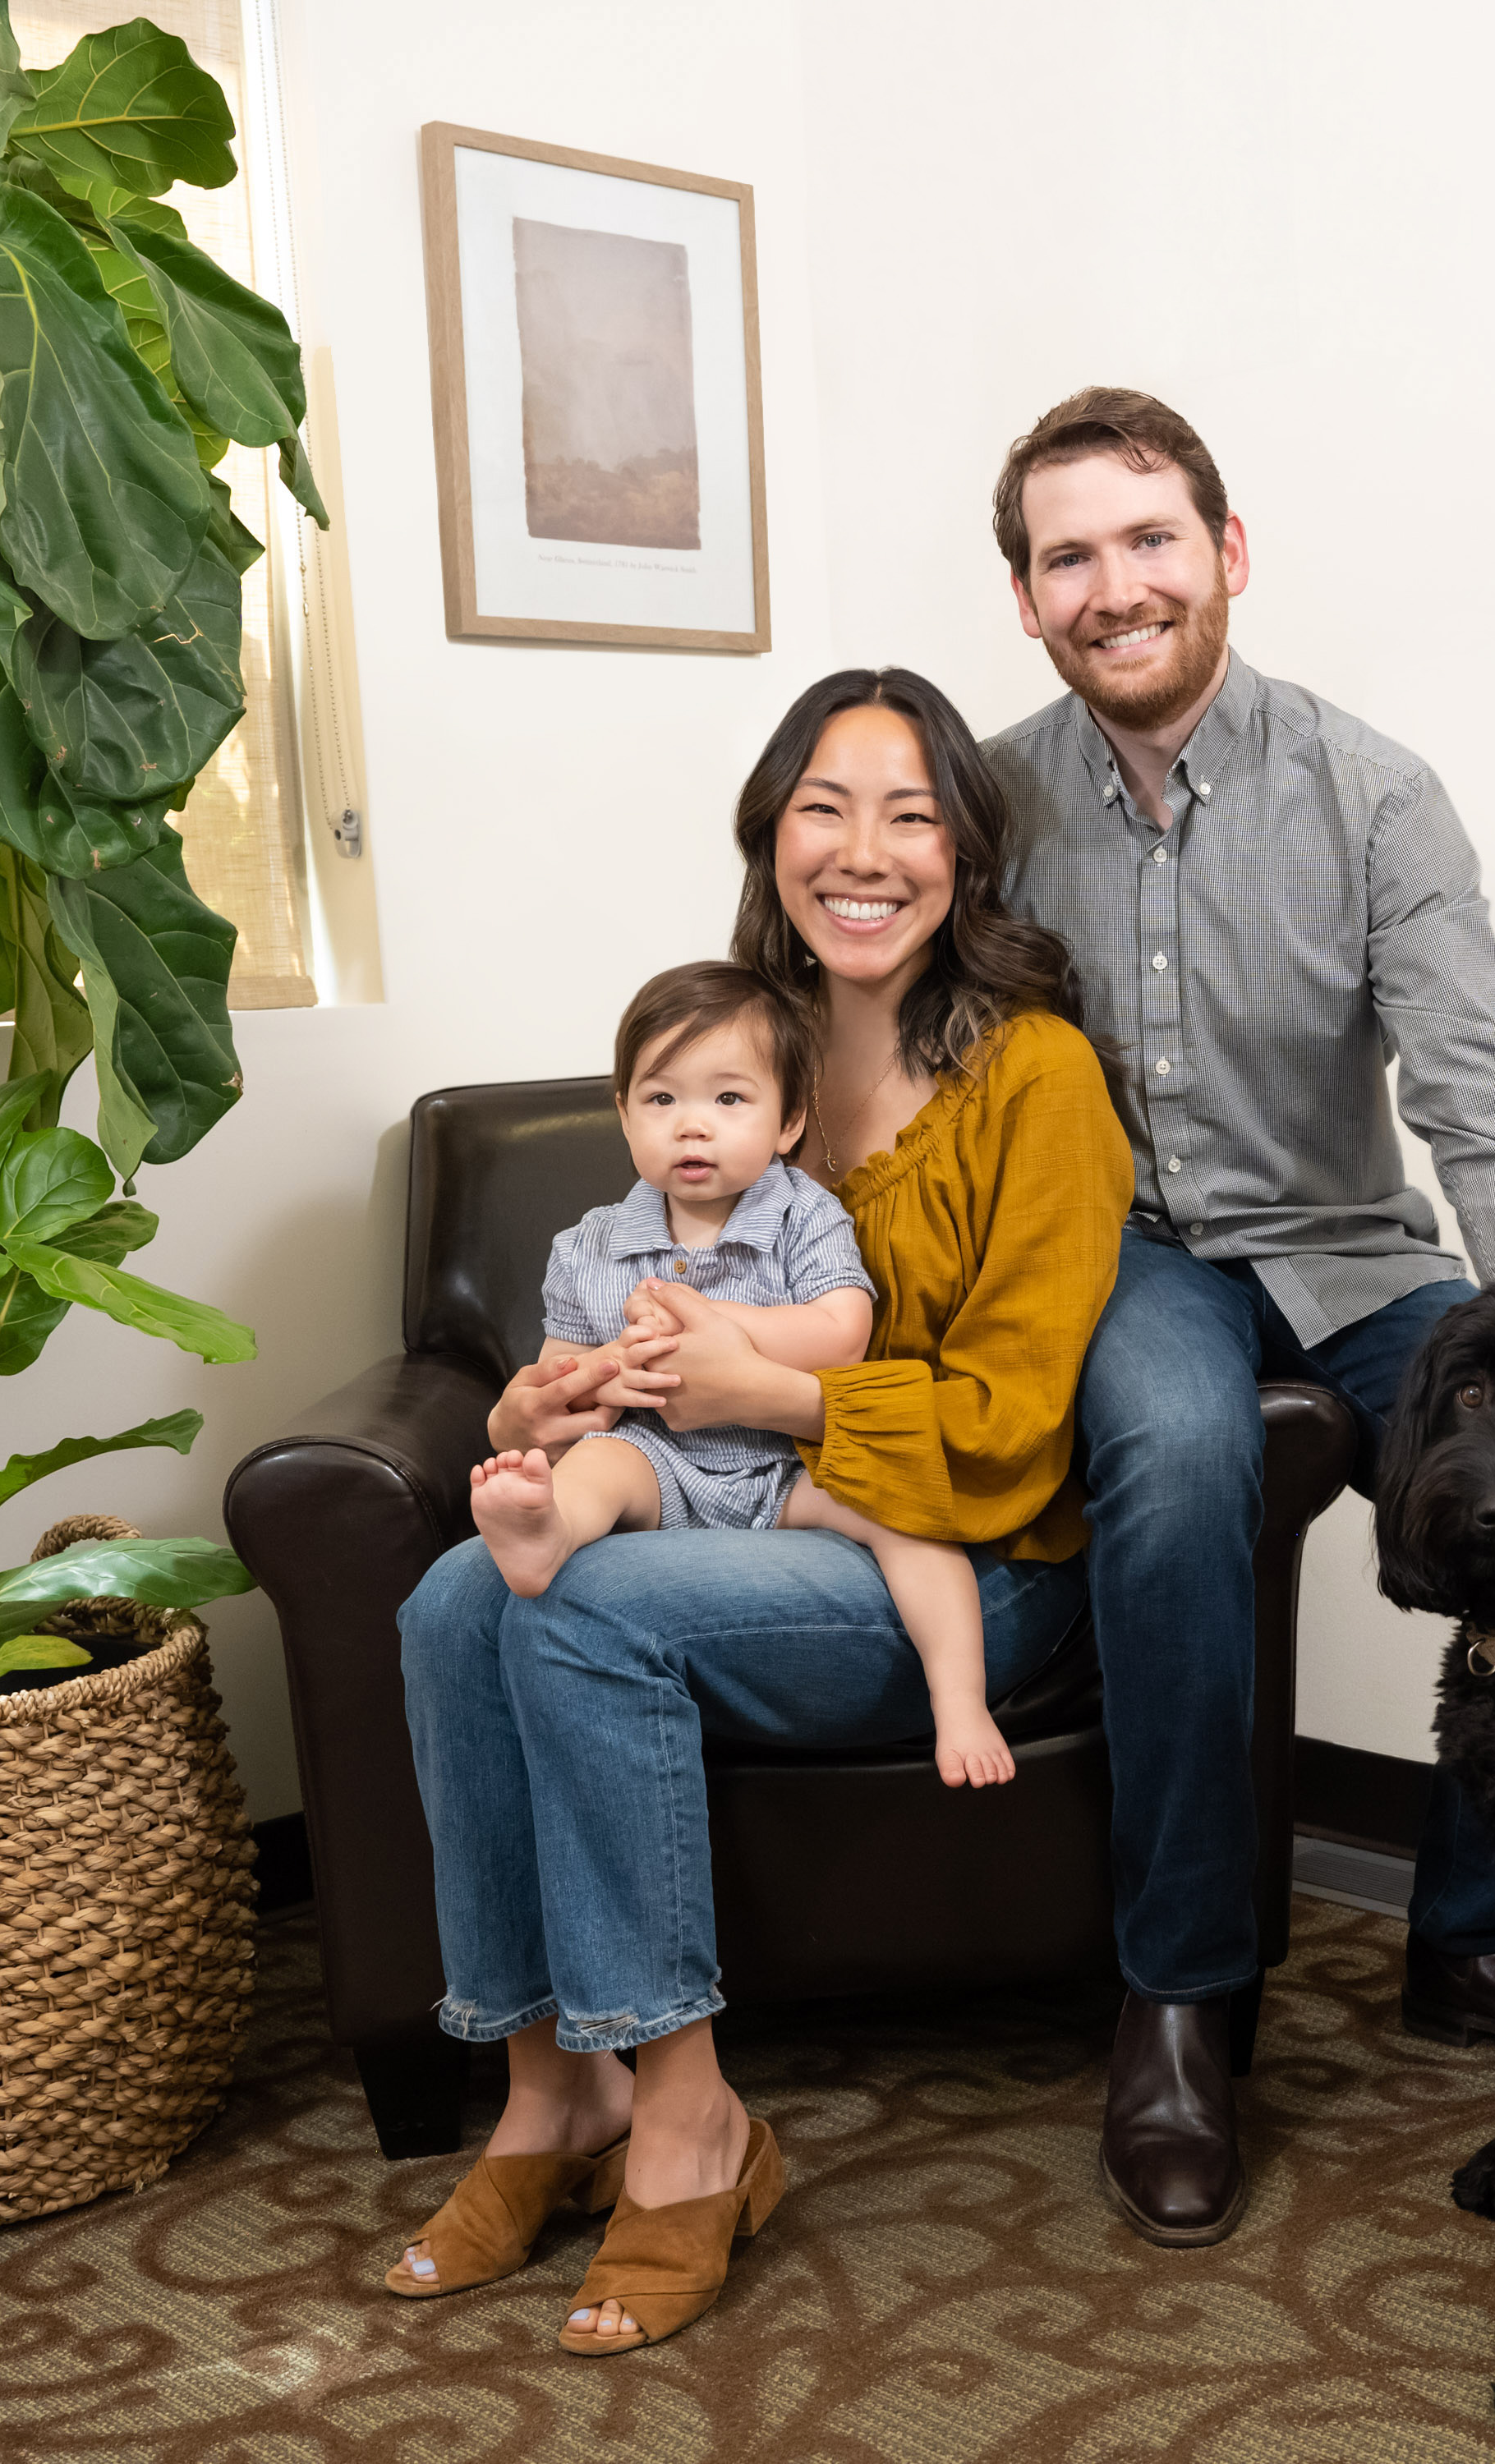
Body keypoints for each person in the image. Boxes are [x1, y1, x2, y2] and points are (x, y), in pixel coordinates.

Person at [388, 670, 1132, 2353]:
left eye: (912, 813)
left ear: (967, 852)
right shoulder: (723, 1063)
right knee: (451, 1601)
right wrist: (558, 1398)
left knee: (578, 1605)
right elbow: (609, 1327)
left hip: (954, 1556)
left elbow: (1015, 1429)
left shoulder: (1040, 1082)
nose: (863, 852)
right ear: (769, 834)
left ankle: (690, 2117)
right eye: (822, 806)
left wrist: (772, 1393)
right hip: (732, 1524)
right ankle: (544, 2093)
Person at [982, 387, 1495, 2249]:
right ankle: (1179, 2001)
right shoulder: (987, 801)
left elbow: (1472, 1086)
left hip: (1347, 1245)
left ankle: (1475, 1929)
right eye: (1067, 554)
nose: (1115, 584)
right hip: (1135, 1258)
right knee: (1169, 1456)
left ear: (1225, 555)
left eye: (1147, 537)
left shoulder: (1371, 789)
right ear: (1024, 598)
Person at [465, 959, 1015, 1788]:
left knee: (907, 1515)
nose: (693, 1127)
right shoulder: (589, 1245)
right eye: (662, 1100)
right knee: (596, 1468)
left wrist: (724, 1327)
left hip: (792, 1463)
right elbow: (561, 1379)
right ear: (622, 1116)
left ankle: (960, 1697)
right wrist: (601, 1372)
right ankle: (543, 1535)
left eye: (729, 1100)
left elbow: (843, 1334)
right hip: (660, 1464)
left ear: (790, 1120)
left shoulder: (806, 1216)